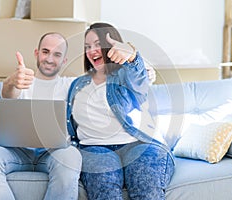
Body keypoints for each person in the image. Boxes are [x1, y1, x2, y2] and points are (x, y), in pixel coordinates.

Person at [66, 22, 175, 200]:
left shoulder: (126, 75)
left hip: (137, 144)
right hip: (94, 148)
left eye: (98, 44)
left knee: (146, 187)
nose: (92, 50)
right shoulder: (76, 85)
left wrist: (132, 55)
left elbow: (140, 80)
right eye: (87, 46)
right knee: (105, 191)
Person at [0, 32, 82, 200]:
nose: (50, 59)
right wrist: (11, 82)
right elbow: (8, 93)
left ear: (64, 61)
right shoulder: (21, 80)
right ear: (36, 53)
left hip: (54, 153)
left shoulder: (70, 85)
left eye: (57, 54)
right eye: (45, 51)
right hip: (16, 151)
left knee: (72, 156)